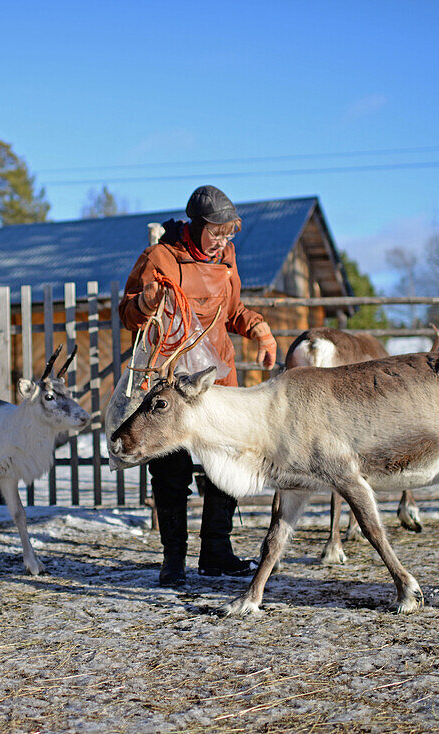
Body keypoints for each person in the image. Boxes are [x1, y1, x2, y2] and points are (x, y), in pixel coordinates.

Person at [118, 185, 278, 586]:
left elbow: (232, 310)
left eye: (229, 233)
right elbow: (127, 314)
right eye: (217, 231)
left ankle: (217, 552)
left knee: (225, 463)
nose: (223, 239)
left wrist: (259, 331)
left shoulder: (226, 258)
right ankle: (174, 560)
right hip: (169, 378)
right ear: (196, 224)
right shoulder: (161, 257)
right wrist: (145, 304)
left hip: (214, 379)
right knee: (170, 471)